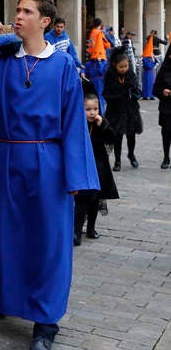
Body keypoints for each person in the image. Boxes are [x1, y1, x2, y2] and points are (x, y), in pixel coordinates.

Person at [0, 0, 98, 350]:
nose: (17, 16)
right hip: (6, 155)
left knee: (49, 240)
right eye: (16, 10)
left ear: (45, 21)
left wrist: (75, 176)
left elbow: (73, 123)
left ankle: (46, 322)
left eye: (26, 11)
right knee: (7, 233)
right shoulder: (4, 58)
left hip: (48, 158)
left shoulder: (64, 64)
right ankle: (8, 296)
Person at [74, 91, 119, 246]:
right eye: (88, 109)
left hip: (98, 165)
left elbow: (112, 138)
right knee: (80, 198)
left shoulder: (101, 123)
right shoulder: (78, 124)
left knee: (94, 199)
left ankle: (91, 228)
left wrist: (103, 125)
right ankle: (77, 231)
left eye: (95, 109)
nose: (92, 113)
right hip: (82, 165)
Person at [103, 47, 143, 171]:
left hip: (130, 110)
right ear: (115, 65)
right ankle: (117, 160)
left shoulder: (130, 74)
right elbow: (106, 93)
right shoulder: (110, 76)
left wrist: (132, 90)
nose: (124, 69)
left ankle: (131, 155)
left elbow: (137, 89)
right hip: (115, 111)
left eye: (126, 66)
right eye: (121, 67)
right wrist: (118, 94)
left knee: (131, 135)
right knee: (117, 136)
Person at [152, 45, 171, 168]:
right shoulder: (164, 69)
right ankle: (166, 157)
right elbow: (155, 88)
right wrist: (162, 92)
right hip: (167, 107)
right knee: (166, 132)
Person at [86, 17, 111, 110]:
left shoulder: (92, 32)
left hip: (92, 58)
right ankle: (102, 111)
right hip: (100, 57)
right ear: (100, 25)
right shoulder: (100, 33)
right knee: (100, 93)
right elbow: (107, 44)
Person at [141, 33, 157, 99]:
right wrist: (153, 64)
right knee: (146, 84)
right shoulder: (145, 58)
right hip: (147, 72)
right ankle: (145, 95)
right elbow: (148, 66)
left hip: (151, 72)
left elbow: (155, 62)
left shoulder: (151, 57)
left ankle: (151, 95)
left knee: (151, 84)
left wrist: (154, 61)